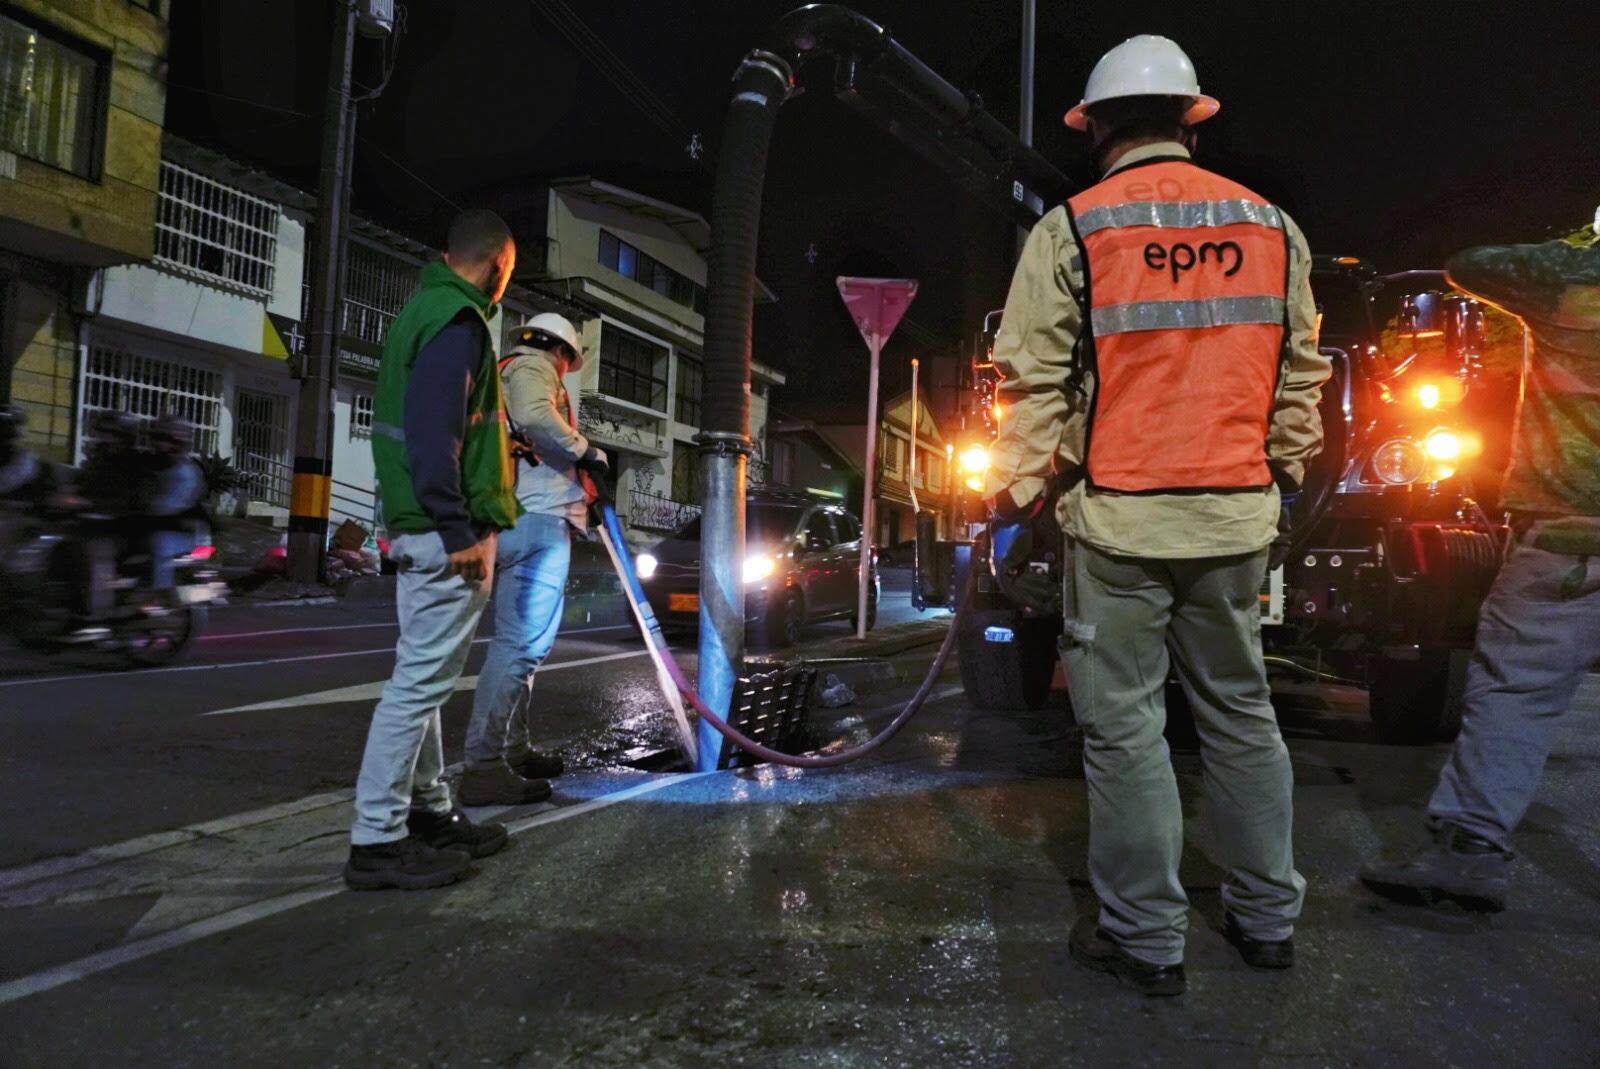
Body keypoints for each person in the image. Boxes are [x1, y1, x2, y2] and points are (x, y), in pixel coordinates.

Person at [985, 35, 1330, 996]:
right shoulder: (1270, 225)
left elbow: (1031, 381)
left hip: (1121, 524)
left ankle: (1147, 937)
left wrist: (1020, 492)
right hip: (1234, 522)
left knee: (1127, 730)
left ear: (1093, 125)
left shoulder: (1075, 229)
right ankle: (1268, 921)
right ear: (1190, 117)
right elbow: (1300, 372)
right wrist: (1283, 474)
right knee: (1241, 714)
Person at [1361, 221, 1600, 912]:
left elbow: (1468, 261)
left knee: (1514, 693)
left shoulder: (1563, 281)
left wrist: (1576, 251)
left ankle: (1468, 851)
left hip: (1566, 540)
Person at [345, 209, 524, 891]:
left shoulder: (423, 307)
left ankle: (429, 812)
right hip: (444, 531)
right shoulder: (458, 321)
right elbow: (433, 435)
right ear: (499, 265)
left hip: (425, 526)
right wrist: (460, 532)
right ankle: (376, 838)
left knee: (422, 683)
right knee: (415, 688)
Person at [459, 315, 610, 804]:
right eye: (569, 360)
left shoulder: (510, 368)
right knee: (520, 647)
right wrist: (586, 451)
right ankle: (483, 765)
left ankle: (513, 749)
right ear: (561, 351)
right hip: (536, 521)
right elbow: (535, 417)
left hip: (521, 518)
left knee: (522, 648)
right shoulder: (532, 367)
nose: (566, 369)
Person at [134, 414, 207, 591]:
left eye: (168, 440)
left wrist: (142, 507)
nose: (161, 445)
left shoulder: (186, 473)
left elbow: (167, 506)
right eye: (157, 438)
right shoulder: (147, 465)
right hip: (148, 526)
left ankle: (161, 596)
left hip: (182, 533)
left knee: (162, 544)